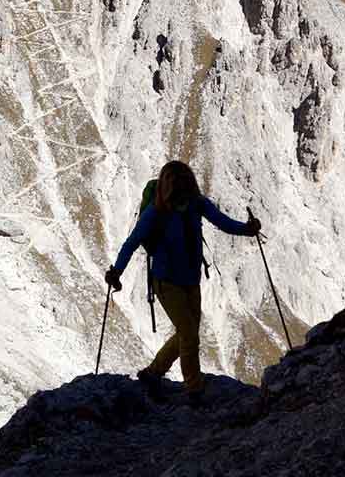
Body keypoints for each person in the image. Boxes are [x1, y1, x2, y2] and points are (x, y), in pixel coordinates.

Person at [105, 160, 261, 398]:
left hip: (187, 280)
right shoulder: (162, 211)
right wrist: (116, 272)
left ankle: (153, 372)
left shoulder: (190, 205)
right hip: (167, 283)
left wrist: (246, 229)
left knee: (186, 333)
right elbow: (133, 242)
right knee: (189, 333)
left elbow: (223, 222)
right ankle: (194, 388)